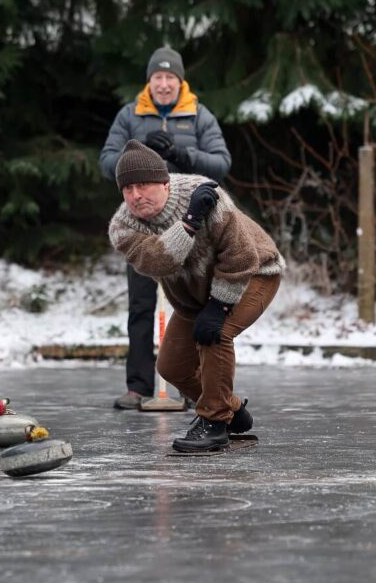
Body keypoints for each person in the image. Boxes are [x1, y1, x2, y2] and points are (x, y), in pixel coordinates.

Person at [108, 140, 283, 451]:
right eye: (128, 188)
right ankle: (232, 408)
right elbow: (158, 261)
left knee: (215, 334)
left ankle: (214, 422)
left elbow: (241, 258)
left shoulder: (206, 195)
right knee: (171, 366)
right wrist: (188, 224)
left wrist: (219, 307)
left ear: (164, 182)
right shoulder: (123, 227)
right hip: (195, 297)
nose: (136, 195)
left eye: (144, 185)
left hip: (254, 275)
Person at [99, 46, 231, 409]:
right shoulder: (130, 115)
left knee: (192, 304)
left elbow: (221, 163)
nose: (163, 83)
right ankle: (138, 386)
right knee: (141, 304)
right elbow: (107, 161)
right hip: (142, 220)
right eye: (158, 77)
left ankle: (193, 386)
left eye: (170, 77)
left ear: (180, 80)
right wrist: (138, 160)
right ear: (149, 80)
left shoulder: (199, 116)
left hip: (190, 223)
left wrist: (181, 154)